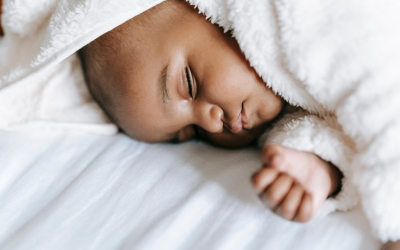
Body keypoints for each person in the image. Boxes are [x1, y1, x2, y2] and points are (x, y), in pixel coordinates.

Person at [78, 0, 342, 223]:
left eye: (190, 85)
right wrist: (318, 169)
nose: (213, 125)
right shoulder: (283, 127)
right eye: (193, 133)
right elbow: (340, 135)